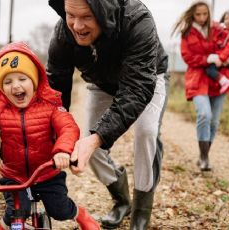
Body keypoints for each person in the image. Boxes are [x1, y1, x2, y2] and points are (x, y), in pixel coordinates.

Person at [47, 0, 169, 229]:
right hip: (101, 83)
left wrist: (98, 137)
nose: (77, 25)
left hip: (147, 79)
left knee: (146, 132)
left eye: (86, 17)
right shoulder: (63, 32)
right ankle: (122, 201)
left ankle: (141, 214)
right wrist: (54, 138)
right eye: (70, 15)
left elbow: (137, 88)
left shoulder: (138, 20)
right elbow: (56, 90)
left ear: (104, 12)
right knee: (89, 146)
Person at [0, 42, 100, 230]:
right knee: (16, 212)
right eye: (7, 82)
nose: (16, 86)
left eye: (22, 79)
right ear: (1, 87)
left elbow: (68, 128)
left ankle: (81, 215)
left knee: (59, 210)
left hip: (47, 172)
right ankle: (2, 226)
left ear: (35, 80)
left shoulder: (50, 106)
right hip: (14, 176)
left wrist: (62, 151)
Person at [172, 0, 229, 171]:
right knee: (204, 115)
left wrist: (228, 56)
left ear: (209, 14)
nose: (201, 18)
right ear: (192, 14)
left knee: (214, 122)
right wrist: (207, 59)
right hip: (197, 78)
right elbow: (187, 57)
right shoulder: (187, 32)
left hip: (218, 79)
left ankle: (203, 156)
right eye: (198, 14)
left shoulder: (217, 28)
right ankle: (204, 158)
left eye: (204, 14)